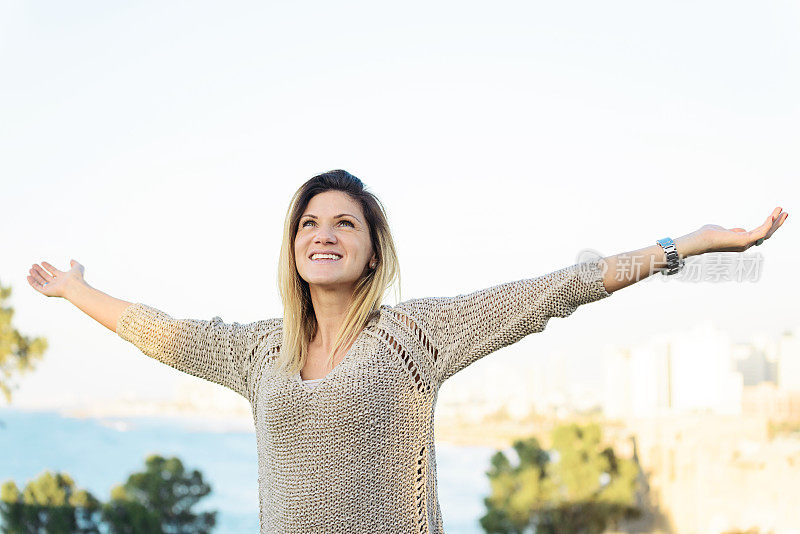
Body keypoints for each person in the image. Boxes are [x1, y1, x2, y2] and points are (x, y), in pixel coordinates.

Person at [27, 169, 788, 533]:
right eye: (309, 223)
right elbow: (161, 332)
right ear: (292, 246)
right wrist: (74, 289)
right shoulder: (258, 352)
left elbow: (562, 287)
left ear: (371, 250)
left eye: (344, 224)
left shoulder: (412, 337)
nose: (323, 233)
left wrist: (684, 244)